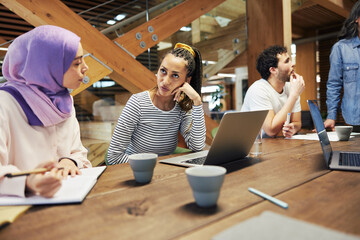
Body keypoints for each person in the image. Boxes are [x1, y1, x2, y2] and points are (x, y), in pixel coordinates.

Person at [0, 25, 92, 198]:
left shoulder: (63, 101)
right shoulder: (4, 104)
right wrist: (27, 182)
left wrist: (69, 161)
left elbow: (78, 152)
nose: (85, 67)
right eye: (77, 63)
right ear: (47, 66)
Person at [107, 43, 206, 164]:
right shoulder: (137, 103)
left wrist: (196, 100)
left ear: (187, 81)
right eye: (163, 71)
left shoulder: (182, 108)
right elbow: (113, 157)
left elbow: (197, 146)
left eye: (175, 75)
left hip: (163, 173)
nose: (165, 81)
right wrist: (156, 165)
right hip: (134, 171)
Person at [241, 45, 305, 138]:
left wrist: (293, 128)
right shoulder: (258, 89)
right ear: (273, 70)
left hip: (276, 144)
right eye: (287, 61)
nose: (292, 64)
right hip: (253, 148)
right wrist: (293, 96)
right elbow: (270, 130)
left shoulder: (291, 87)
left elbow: (297, 123)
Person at [324, 0, 360, 131]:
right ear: (357, 18)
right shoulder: (341, 48)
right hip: (355, 119)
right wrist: (331, 116)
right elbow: (334, 84)